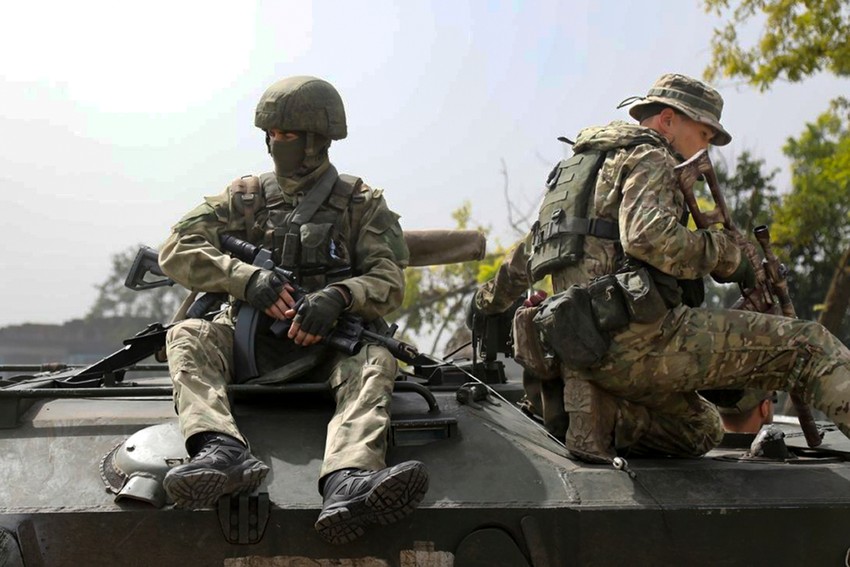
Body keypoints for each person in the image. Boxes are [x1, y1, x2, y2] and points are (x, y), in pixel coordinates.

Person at [471, 73, 850, 463]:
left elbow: (530, 251)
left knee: (702, 427)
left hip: (579, 352)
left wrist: (485, 302)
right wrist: (726, 254)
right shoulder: (652, 156)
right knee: (809, 347)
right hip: (641, 342)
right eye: (703, 134)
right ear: (668, 119)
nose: (705, 148)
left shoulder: (580, 168)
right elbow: (646, 238)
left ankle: (604, 413)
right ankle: (600, 408)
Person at [157, 75, 428, 545]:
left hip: (329, 348)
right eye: (272, 134)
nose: (275, 143)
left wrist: (340, 297)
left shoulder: (361, 203)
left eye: (288, 135)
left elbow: (388, 280)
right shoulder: (245, 198)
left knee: (376, 358)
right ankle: (220, 450)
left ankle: (349, 479)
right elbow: (176, 248)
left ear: (318, 140)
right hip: (247, 345)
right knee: (187, 335)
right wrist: (245, 279)